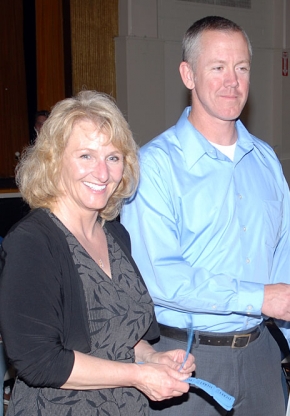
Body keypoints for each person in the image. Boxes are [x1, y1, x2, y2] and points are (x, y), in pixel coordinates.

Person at [120, 16, 290, 415]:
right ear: (188, 74)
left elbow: (288, 263)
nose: (232, 80)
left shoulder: (266, 161)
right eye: (217, 67)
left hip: (262, 356)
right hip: (186, 360)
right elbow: (161, 277)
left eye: (242, 67)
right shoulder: (156, 166)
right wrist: (258, 297)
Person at [0, 90, 195, 416]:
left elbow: (122, 336)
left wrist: (152, 358)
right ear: (54, 159)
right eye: (86, 156)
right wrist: (138, 375)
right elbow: (40, 361)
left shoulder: (115, 234)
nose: (102, 173)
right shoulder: (33, 242)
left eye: (113, 157)